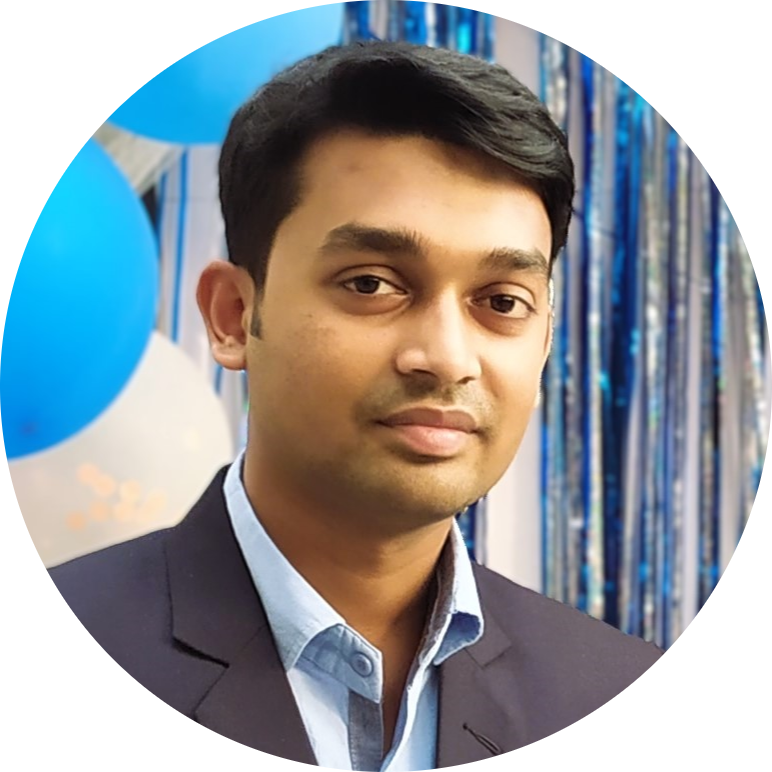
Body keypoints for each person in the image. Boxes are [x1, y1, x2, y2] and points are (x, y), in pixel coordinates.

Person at [50, 40, 662, 766]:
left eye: (501, 301)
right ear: (233, 315)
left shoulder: (607, 683)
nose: (446, 358)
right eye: (371, 284)